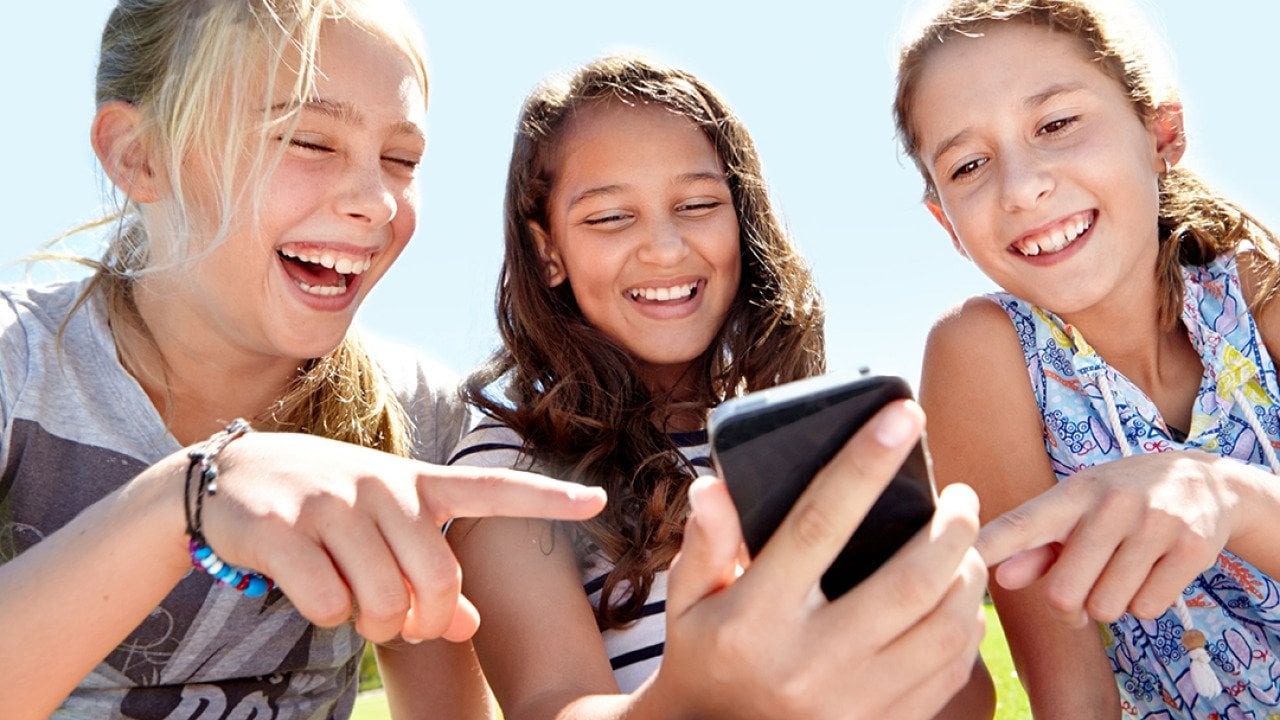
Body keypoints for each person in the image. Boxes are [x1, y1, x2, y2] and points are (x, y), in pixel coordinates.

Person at [0, 2, 610, 717]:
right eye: (308, 141)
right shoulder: (20, 365)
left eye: (401, 160)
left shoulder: (426, 424)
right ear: (139, 155)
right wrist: (188, 498)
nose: (376, 201)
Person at [378, 54, 994, 719]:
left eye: (698, 204)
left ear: (744, 221)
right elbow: (548, 703)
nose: (666, 248)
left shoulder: (814, 441)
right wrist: (694, 699)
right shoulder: (513, 468)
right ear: (548, 249)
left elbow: (966, 697)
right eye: (611, 218)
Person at [894, 0, 1280, 716]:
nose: (1021, 187)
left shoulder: (1254, 291)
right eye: (970, 164)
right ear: (948, 224)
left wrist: (1231, 496)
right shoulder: (984, 355)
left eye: (1056, 124)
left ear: (1162, 132)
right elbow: (1074, 700)